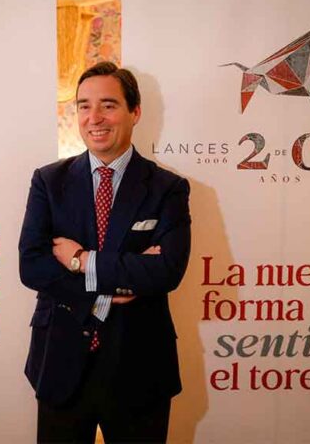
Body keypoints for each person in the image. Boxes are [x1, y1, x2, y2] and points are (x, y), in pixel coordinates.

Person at [19, 61, 191, 443]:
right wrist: (110, 290)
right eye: (84, 106)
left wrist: (82, 261)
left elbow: (167, 271)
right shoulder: (48, 181)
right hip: (61, 361)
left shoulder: (168, 188)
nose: (94, 117)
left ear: (135, 112)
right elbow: (31, 266)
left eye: (108, 105)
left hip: (140, 366)